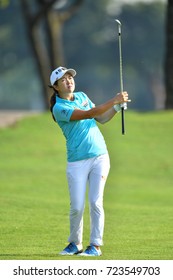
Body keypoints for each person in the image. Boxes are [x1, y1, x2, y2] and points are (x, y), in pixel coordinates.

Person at [49, 66, 130, 256]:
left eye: (70, 77)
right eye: (63, 79)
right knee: (77, 206)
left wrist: (117, 108)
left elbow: (101, 117)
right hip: (77, 161)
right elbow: (88, 114)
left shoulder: (83, 96)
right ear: (55, 86)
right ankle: (75, 244)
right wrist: (114, 100)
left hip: (100, 156)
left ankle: (95, 246)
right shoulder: (59, 108)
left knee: (95, 202)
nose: (69, 81)